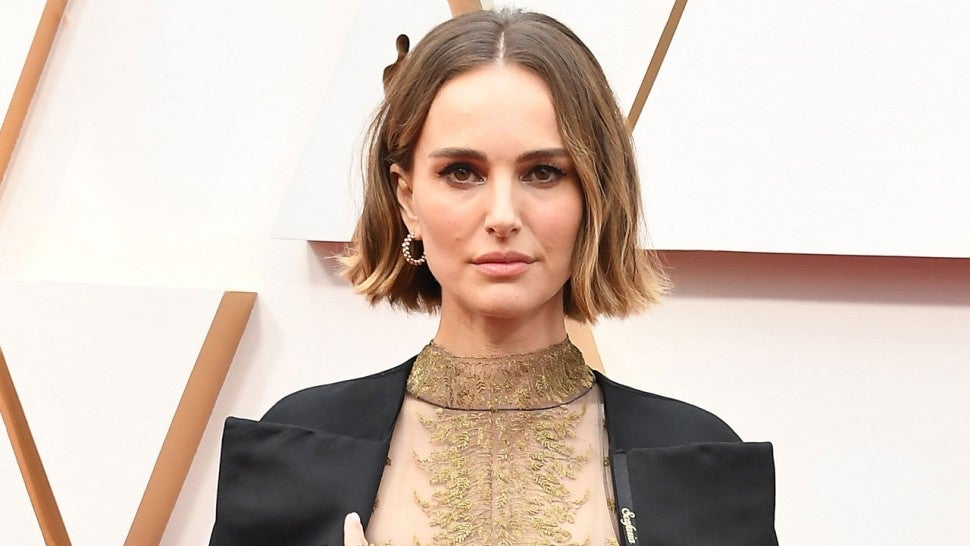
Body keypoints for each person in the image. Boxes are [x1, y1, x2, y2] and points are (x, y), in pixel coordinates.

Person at [210, 8, 777, 546]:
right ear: (407, 198)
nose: (503, 216)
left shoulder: (698, 460)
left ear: (595, 196)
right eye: (462, 172)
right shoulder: (297, 448)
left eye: (543, 172)